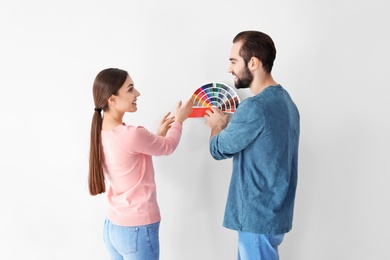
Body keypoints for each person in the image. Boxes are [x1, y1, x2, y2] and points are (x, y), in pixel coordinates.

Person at [204, 31, 300, 260]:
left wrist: (217, 125)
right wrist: (233, 122)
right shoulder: (287, 102)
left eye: (233, 61)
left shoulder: (254, 108)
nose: (229, 69)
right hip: (273, 218)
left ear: (253, 62)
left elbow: (217, 149)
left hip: (257, 220)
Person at [88, 68, 193, 260]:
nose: (137, 93)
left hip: (113, 227)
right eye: (130, 89)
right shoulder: (132, 134)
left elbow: (132, 154)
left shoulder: (99, 132)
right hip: (137, 228)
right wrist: (179, 121)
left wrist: (157, 134)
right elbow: (168, 147)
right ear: (112, 99)